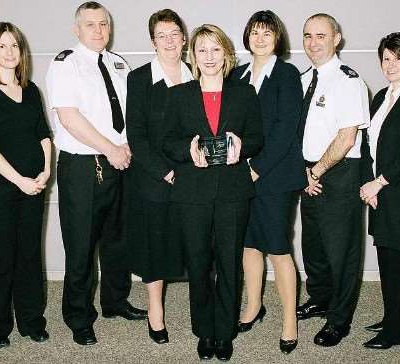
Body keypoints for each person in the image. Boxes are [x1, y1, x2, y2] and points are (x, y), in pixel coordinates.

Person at [45, 1, 146, 346]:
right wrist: (110, 148)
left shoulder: (119, 63)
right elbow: (70, 118)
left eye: (103, 24)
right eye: (90, 25)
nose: (99, 30)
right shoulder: (65, 64)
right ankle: (78, 317)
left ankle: (115, 302)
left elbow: (130, 113)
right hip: (84, 167)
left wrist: (128, 146)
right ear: (77, 30)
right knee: (81, 245)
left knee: (118, 239)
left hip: (120, 163)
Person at [163, 24, 263, 361]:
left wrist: (241, 145)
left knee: (229, 262)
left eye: (216, 49)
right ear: (193, 55)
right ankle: (205, 331)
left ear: (227, 55)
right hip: (192, 192)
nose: (209, 57)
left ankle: (225, 331)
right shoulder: (178, 94)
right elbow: (167, 141)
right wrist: (188, 150)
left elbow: (257, 137)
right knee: (199, 263)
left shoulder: (245, 93)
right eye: (202, 50)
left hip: (234, 192)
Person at [232, 10, 306, 354]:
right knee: (248, 244)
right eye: (255, 33)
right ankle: (253, 306)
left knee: (277, 247)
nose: (260, 39)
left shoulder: (288, 75)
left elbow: (284, 129)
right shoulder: (238, 73)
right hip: (242, 173)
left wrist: (256, 168)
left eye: (267, 33)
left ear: (277, 38)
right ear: (247, 36)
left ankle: (289, 319)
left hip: (275, 176)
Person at [0, 22, 51, 348]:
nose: (9, 52)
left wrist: (46, 171)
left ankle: (31, 321)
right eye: (2, 46)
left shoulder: (31, 90)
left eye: (14, 46)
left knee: (31, 256)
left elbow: (44, 135)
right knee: (3, 258)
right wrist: (18, 180)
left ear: (22, 51)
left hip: (34, 186)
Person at [296, 13, 370, 346]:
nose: (313, 42)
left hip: (337, 173)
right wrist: (303, 171)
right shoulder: (303, 78)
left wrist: (318, 171)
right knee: (313, 247)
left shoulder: (348, 80)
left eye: (321, 36)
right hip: (308, 171)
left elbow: (346, 138)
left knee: (341, 252)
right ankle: (321, 298)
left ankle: (339, 320)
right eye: (308, 35)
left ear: (336, 38)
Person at [125, 9, 192, 344]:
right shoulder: (138, 79)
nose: (169, 40)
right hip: (153, 177)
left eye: (174, 33)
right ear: (153, 41)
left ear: (184, 38)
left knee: (195, 246)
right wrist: (166, 173)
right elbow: (136, 136)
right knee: (154, 247)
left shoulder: (198, 74)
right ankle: (156, 313)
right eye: (161, 35)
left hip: (194, 177)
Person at [360, 31, 400, 350]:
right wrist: (370, 185)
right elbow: (371, 145)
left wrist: (379, 182)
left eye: (398, 58)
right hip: (381, 193)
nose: (390, 64)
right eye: (386, 58)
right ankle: (394, 317)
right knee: (386, 257)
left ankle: (397, 332)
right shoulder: (381, 96)